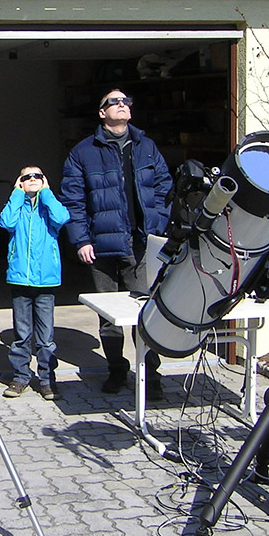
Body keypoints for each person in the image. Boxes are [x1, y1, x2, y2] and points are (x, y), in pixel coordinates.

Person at [61, 88, 173, 399]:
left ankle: (151, 374)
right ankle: (116, 371)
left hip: (139, 246)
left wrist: (157, 221)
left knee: (144, 314)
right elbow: (73, 199)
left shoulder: (147, 147)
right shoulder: (83, 152)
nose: (122, 105)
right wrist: (81, 239)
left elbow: (165, 185)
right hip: (100, 247)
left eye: (126, 101)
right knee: (109, 316)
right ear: (102, 113)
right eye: (114, 102)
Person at [0, 165, 71, 401]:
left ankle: (47, 379)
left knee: (46, 336)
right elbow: (5, 222)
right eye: (26, 176)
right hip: (20, 279)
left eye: (37, 176)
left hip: (45, 281)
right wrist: (17, 194)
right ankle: (20, 376)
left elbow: (63, 217)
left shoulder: (49, 207)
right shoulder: (17, 206)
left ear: (44, 180)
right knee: (21, 334)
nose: (32, 179)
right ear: (19, 182)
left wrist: (47, 192)